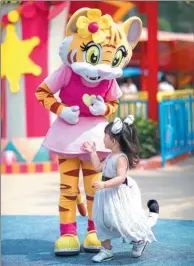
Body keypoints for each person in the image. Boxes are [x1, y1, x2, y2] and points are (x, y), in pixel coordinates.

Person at [82, 115, 158, 263]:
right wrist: (92, 152)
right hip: (106, 195)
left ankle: (139, 240)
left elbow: (121, 178)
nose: (103, 139)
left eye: (105, 136)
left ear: (114, 140)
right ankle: (106, 250)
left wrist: (104, 185)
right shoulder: (111, 156)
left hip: (117, 194)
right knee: (102, 220)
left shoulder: (120, 158)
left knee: (123, 221)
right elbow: (98, 167)